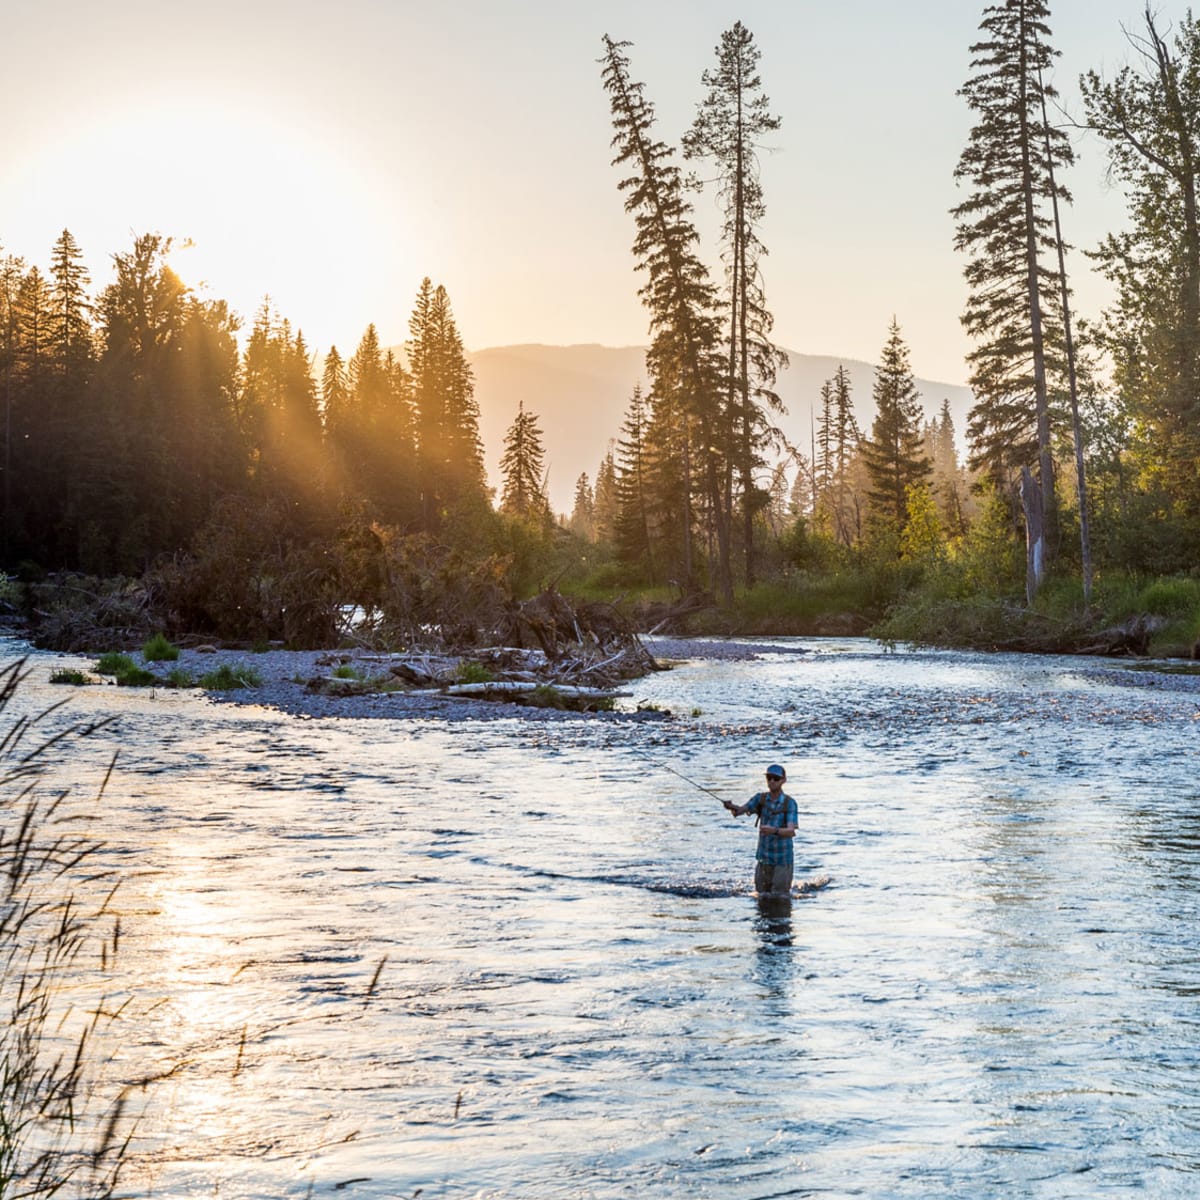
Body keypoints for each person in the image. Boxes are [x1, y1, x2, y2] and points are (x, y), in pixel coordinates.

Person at [723, 764, 798, 896]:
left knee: (779, 898)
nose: (772, 781)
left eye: (776, 778)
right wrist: (731, 807)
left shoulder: (789, 803)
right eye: (769, 778)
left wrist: (773, 830)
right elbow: (740, 811)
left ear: (783, 780)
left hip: (783, 861)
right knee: (761, 896)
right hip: (763, 859)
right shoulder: (760, 798)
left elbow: (791, 831)